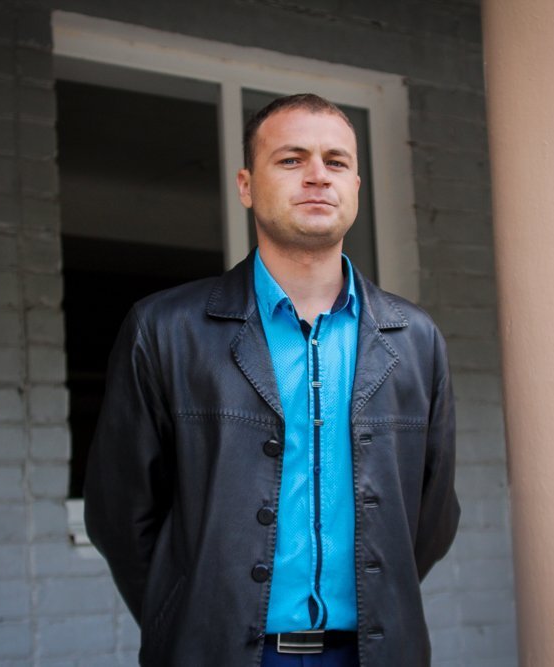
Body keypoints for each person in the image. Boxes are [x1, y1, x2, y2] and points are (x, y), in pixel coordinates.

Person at [85, 93, 460, 667]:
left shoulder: (416, 338)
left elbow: (433, 518)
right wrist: (187, 613)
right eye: (291, 159)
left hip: (374, 652)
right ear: (246, 186)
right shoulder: (163, 329)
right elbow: (120, 515)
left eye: (336, 162)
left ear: (356, 186)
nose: (318, 176)